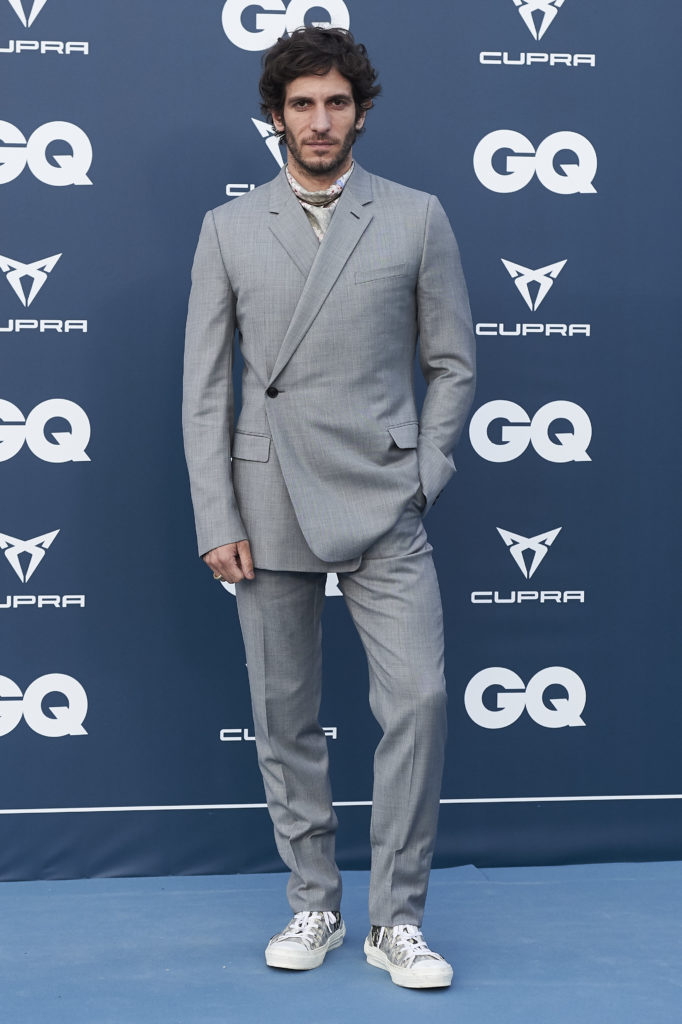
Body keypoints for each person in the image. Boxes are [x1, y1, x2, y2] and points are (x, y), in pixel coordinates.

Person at [182, 26, 475, 989]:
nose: (319, 121)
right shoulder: (229, 228)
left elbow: (452, 364)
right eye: (301, 104)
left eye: (336, 103)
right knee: (284, 716)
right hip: (266, 496)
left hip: (384, 494)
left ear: (361, 111)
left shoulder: (416, 217)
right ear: (275, 117)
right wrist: (217, 514)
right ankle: (314, 900)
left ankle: (397, 919)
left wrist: (423, 473)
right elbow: (205, 390)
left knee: (420, 700)